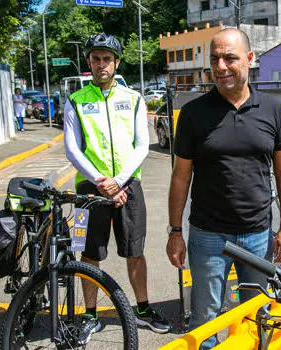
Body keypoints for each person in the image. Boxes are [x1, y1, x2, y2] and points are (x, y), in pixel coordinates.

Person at [166, 28, 281, 349]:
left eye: (230, 58)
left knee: (256, 317)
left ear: (250, 59)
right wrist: (174, 231)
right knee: (205, 323)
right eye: (215, 59)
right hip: (208, 237)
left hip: (257, 235)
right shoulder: (194, 113)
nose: (221, 66)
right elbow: (181, 176)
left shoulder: (272, 110)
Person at [64, 33, 170, 343]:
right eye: (95, 59)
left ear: (116, 62)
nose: (101, 64)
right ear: (89, 62)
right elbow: (73, 149)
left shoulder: (134, 98)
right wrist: (102, 183)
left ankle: (143, 308)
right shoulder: (76, 101)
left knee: (134, 251)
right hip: (89, 188)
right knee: (88, 254)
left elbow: (141, 146)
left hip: (128, 185)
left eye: (106, 59)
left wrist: (119, 181)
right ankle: (90, 315)